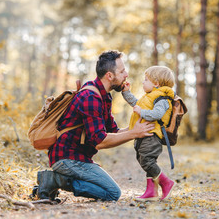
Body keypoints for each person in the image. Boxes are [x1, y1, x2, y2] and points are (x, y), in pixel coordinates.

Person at [36, 50, 155, 202]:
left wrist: (138, 128)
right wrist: (134, 134)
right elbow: (100, 141)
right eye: (122, 71)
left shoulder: (102, 95)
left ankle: (54, 180)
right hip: (67, 159)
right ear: (109, 76)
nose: (126, 75)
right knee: (112, 193)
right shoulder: (90, 97)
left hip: (78, 158)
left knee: (109, 191)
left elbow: (114, 132)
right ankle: (54, 180)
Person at [121, 65, 176, 201]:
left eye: (146, 79)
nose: (143, 82)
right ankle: (151, 192)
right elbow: (136, 103)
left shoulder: (162, 99)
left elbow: (157, 114)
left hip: (152, 136)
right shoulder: (149, 97)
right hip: (144, 135)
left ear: (156, 83)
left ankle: (166, 182)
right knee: (144, 160)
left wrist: (142, 112)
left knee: (147, 160)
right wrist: (126, 92)